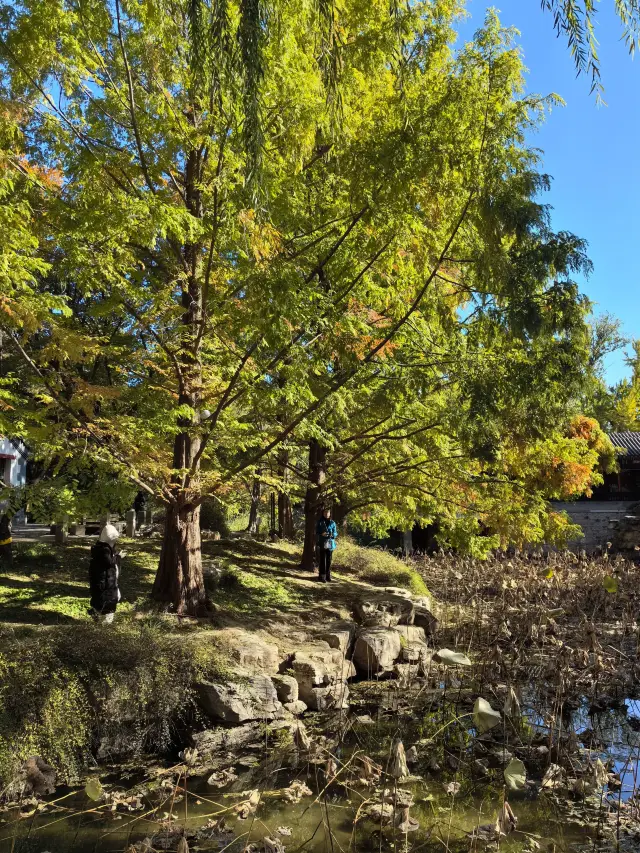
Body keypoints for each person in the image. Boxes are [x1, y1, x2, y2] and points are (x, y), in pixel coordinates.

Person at [88, 522, 124, 623]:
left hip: (107, 582)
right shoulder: (103, 550)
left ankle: (98, 618)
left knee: (105, 602)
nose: (115, 542)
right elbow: (109, 562)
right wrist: (118, 557)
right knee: (105, 604)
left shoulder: (104, 548)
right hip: (104, 584)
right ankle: (103, 625)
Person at [316, 507, 338, 582]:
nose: (326, 514)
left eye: (328, 513)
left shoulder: (332, 523)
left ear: (329, 514)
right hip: (322, 543)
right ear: (323, 513)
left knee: (329, 560)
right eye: (325, 512)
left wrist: (333, 535)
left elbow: (335, 532)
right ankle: (322, 576)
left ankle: (328, 575)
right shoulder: (320, 522)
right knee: (323, 560)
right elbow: (317, 531)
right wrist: (322, 533)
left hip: (330, 543)